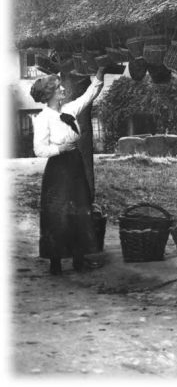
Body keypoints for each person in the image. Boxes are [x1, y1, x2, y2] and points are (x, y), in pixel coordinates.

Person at [30, 67, 105, 275]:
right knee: (58, 213)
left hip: (75, 165)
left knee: (80, 208)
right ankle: (55, 261)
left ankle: (78, 258)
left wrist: (99, 75)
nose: (63, 89)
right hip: (57, 170)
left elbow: (89, 96)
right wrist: (59, 149)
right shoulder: (43, 118)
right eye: (58, 87)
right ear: (50, 93)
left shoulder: (70, 109)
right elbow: (39, 149)